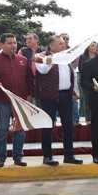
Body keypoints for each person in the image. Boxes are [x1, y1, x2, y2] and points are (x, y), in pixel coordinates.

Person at [0, 33, 32, 168]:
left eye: (15, 43)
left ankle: (18, 157)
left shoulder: (23, 60)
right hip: (3, 101)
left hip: (20, 101)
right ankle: (1, 157)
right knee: (2, 129)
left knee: (20, 130)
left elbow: (29, 79)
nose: (13, 45)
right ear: (2, 45)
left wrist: (30, 95)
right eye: (10, 43)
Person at [35, 36, 82, 165]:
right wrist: (53, 59)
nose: (64, 45)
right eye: (61, 43)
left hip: (66, 95)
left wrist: (74, 91)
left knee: (68, 125)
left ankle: (69, 155)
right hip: (48, 96)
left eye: (64, 43)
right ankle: (47, 156)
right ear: (51, 46)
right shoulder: (41, 56)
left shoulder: (66, 57)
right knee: (48, 125)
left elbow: (72, 75)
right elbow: (42, 70)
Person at [76, 41, 97, 124]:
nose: (94, 47)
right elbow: (82, 69)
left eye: (95, 45)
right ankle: (88, 120)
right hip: (87, 82)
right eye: (92, 46)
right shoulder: (83, 57)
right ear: (88, 47)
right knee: (88, 101)